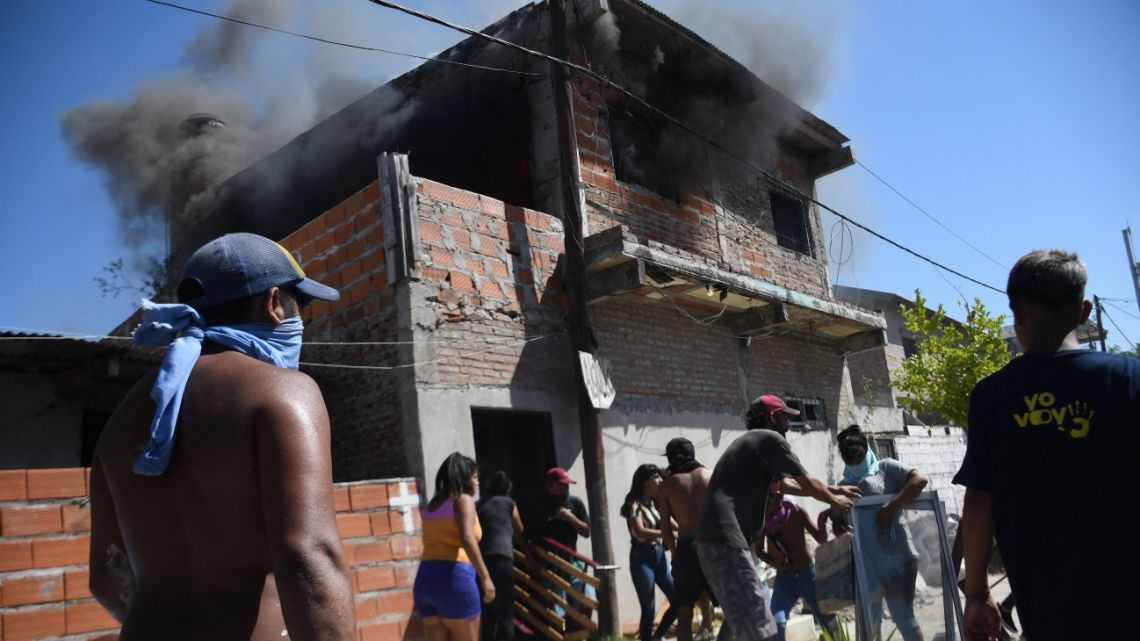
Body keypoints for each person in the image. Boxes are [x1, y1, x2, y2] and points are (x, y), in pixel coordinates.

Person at [89, 232, 353, 641]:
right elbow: (309, 558)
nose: (302, 320)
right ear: (273, 303)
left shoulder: (120, 421)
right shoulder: (282, 393)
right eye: (300, 307)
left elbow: (107, 575)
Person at [953, 249, 1140, 641]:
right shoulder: (1126, 379)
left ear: (1017, 315)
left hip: (1046, 614)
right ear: (1084, 310)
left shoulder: (991, 396)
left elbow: (978, 502)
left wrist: (976, 594)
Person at [695, 395, 856, 641]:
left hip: (713, 543)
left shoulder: (750, 445)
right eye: (785, 417)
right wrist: (835, 501)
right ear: (772, 417)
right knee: (761, 623)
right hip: (726, 542)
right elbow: (806, 482)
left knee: (744, 620)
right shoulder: (769, 439)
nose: (789, 424)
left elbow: (788, 485)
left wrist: (834, 490)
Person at [821, 425, 927, 641]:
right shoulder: (844, 487)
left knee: (903, 618)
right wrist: (840, 529)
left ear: (866, 449)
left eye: (859, 457)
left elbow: (920, 481)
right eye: (850, 460)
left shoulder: (886, 469)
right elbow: (838, 523)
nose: (856, 463)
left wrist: (892, 505)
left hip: (898, 559)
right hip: (866, 566)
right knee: (870, 623)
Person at [414, 452, 495, 641]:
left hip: (425, 580)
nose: (477, 482)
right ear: (464, 478)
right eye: (474, 477)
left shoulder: (433, 504)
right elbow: (467, 538)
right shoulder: (463, 500)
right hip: (454, 578)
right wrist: (486, 577)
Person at [657, 438, 717, 641]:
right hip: (713, 545)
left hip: (687, 547)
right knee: (732, 605)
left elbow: (665, 529)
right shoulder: (711, 476)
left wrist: (675, 556)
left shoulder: (666, 486)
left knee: (684, 613)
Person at [755, 491, 836, 641]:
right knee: (776, 623)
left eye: (768, 503)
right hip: (784, 580)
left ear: (779, 499)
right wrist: (774, 563)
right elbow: (758, 549)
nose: (764, 508)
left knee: (828, 622)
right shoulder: (765, 522)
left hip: (808, 575)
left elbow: (820, 538)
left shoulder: (796, 512)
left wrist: (821, 523)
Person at [621, 464, 678, 641]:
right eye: (656, 477)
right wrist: (667, 533)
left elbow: (673, 525)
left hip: (658, 554)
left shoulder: (656, 503)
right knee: (649, 607)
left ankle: (657, 635)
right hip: (641, 558)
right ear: (645, 482)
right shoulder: (634, 505)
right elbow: (640, 531)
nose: (660, 480)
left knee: (677, 600)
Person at [531, 467, 593, 617]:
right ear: (549, 486)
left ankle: (581, 634)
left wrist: (570, 518)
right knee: (559, 611)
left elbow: (586, 532)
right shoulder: (540, 506)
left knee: (588, 600)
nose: (566, 487)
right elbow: (532, 536)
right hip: (551, 564)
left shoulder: (575, 503)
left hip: (573, 561)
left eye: (567, 484)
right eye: (561, 484)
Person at [477, 471, 525, 641]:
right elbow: (519, 531)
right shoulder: (509, 504)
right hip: (504, 559)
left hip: (482, 563)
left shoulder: (478, 505)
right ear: (507, 488)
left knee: (487, 612)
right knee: (506, 613)